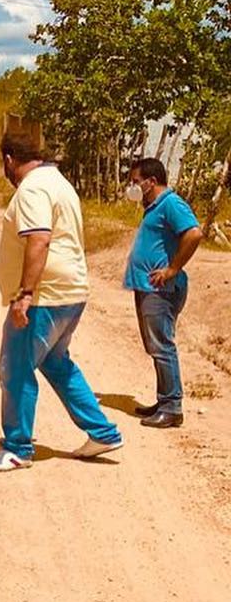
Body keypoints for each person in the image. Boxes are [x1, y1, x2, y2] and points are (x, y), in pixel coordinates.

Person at [0, 132, 123, 471]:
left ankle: (17, 448)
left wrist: (26, 293)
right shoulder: (57, 181)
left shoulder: (32, 188)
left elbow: (39, 239)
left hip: (45, 296)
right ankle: (102, 431)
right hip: (71, 291)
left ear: (9, 160)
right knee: (56, 363)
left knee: (14, 367)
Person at [123, 157, 203, 428]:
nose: (133, 186)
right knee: (155, 345)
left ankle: (172, 407)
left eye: (136, 181)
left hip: (162, 289)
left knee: (162, 345)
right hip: (149, 287)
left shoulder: (171, 203)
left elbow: (193, 234)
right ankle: (165, 399)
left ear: (151, 181)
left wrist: (172, 269)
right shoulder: (154, 207)